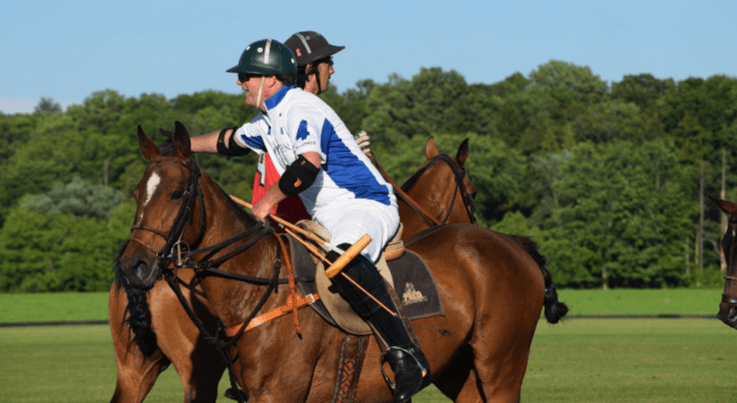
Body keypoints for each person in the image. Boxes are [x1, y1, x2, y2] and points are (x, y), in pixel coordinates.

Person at [189, 38, 428, 403]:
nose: (240, 83)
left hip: (363, 203)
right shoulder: (268, 119)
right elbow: (229, 141)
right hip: (325, 216)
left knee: (342, 262)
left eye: (247, 77)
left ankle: (407, 354)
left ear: (270, 80)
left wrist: (267, 202)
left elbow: (307, 164)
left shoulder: (302, 107)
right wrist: (181, 145)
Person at [251, 31, 345, 227]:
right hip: (292, 226)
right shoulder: (299, 113)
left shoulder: (278, 110)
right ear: (311, 68)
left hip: (271, 224)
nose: (332, 70)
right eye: (328, 62)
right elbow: (304, 171)